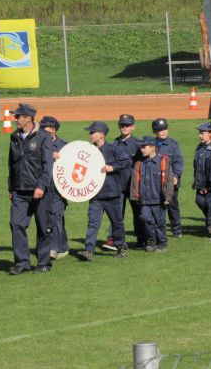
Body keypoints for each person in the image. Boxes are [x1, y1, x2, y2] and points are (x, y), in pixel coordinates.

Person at [7, 103, 54, 275]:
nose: (15, 119)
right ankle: (22, 262)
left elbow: (48, 165)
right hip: (19, 190)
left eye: (18, 117)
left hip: (39, 191)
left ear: (28, 118)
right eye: (15, 116)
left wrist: (41, 186)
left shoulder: (44, 137)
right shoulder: (14, 137)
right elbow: (11, 164)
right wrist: (11, 187)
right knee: (16, 224)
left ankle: (43, 263)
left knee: (43, 227)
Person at [77, 121, 131, 261]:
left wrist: (112, 167)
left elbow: (127, 162)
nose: (89, 135)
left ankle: (121, 247)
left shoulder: (113, 149)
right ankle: (89, 250)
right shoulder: (89, 151)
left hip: (112, 195)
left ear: (101, 135)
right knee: (93, 223)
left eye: (92, 132)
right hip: (95, 196)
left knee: (116, 223)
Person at [130, 136, 175, 252]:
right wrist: (135, 196)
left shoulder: (163, 162)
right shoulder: (139, 164)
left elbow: (169, 181)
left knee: (160, 222)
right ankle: (151, 240)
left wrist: (168, 197)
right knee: (145, 219)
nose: (141, 149)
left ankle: (162, 242)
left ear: (153, 148)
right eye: (141, 147)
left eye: (144, 147)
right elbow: (135, 182)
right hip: (144, 200)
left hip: (159, 199)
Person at [106, 114, 143, 250]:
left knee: (138, 214)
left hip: (133, 185)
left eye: (127, 125)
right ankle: (113, 240)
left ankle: (141, 239)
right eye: (122, 125)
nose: (124, 127)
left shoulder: (139, 145)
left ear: (133, 127)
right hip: (118, 185)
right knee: (116, 214)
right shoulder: (114, 143)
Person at [39, 116, 70, 260]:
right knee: (51, 218)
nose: (42, 132)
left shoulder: (65, 147)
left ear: (53, 130)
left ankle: (54, 248)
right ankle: (63, 247)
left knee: (56, 217)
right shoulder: (38, 144)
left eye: (45, 130)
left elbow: (72, 168)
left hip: (59, 189)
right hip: (44, 187)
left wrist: (68, 190)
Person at [152, 118, 184, 237]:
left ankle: (176, 229)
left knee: (172, 205)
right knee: (158, 205)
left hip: (170, 181)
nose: (164, 131)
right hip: (156, 181)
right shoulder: (151, 144)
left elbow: (178, 162)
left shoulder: (172, 144)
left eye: (165, 128)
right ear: (155, 132)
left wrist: (176, 176)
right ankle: (159, 228)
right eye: (161, 130)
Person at [193, 122, 211, 233]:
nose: (200, 135)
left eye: (202, 133)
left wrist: (208, 186)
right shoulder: (199, 148)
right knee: (199, 201)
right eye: (199, 133)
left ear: (210, 134)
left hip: (210, 184)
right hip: (200, 182)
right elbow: (196, 166)